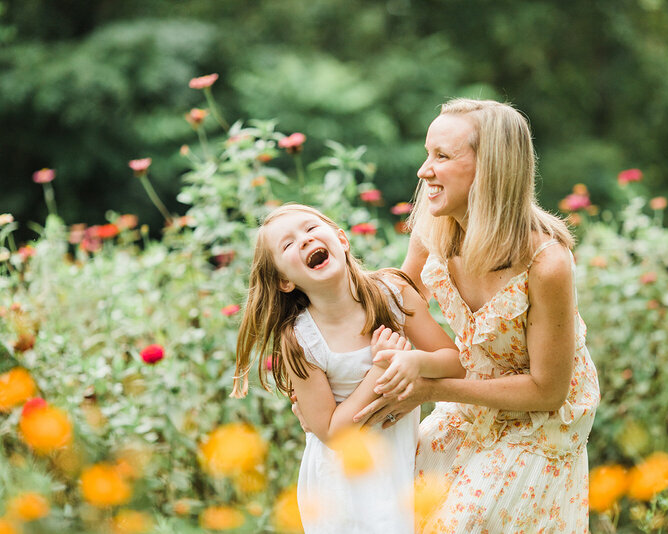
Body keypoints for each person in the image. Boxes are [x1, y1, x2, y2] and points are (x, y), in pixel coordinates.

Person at [354, 98, 601, 533]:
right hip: (469, 407)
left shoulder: (546, 263)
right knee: (391, 509)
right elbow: (397, 300)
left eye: (442, 156)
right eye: (427, 153)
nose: (423, 170)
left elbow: (548, 390)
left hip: (540, 428)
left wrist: (429, 387)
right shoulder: (436, 224)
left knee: (459, 524)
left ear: (490, 169)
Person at [230, 204, 464, 534]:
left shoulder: (393, 295)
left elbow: (455, 362)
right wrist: (380, 369)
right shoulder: (301, 339)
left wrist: (412, 363)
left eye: (311, 229)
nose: (304, 240)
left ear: (341, 239)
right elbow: (332, 433)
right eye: (287, 244)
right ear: (284, 281)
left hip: (403, 462)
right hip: (343, 483)